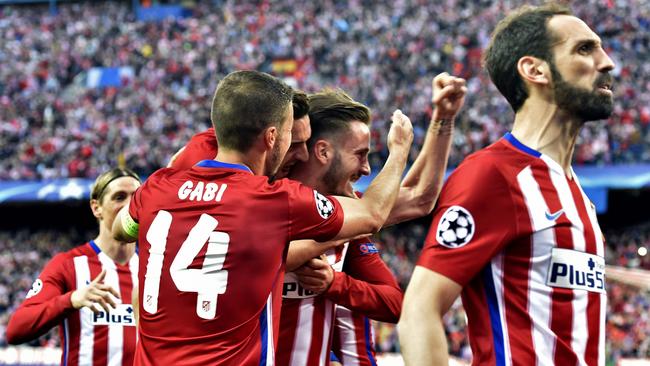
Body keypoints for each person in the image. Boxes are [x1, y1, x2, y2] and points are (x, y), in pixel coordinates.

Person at [112, 70, 413, 365]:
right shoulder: (273, 201)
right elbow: (372, 214)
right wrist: (399, 151)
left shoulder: (158, 186)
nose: (302, 154)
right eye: (289, 136)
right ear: (272, 137)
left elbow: (121, 228)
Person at [399, 3, 615, 365]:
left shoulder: (576, 192)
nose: (606, 62)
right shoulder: (493, 175)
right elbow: (419, 312)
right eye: (584, 49)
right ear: (535, 69)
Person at [278, 73, 466, 366]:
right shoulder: (266, 202)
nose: (367, 169)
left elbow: (419, 197)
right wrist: (399, 153)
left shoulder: (351, 214)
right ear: (323, 151)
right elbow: (278, 258)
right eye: (360, 155)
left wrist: (443, 119)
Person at [6, 167, 141, 366]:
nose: (130, 205)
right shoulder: (68, 265)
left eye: (137, 198)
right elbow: (16, 330)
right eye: (119, 197)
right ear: (96, 208)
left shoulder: (155, 267)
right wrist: (71, 300)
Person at [168, 91, 312, 182]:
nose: (305, 156)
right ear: (269, 137)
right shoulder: (212, 171)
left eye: (307, 142)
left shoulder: (236, 135)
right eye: (293, 145)